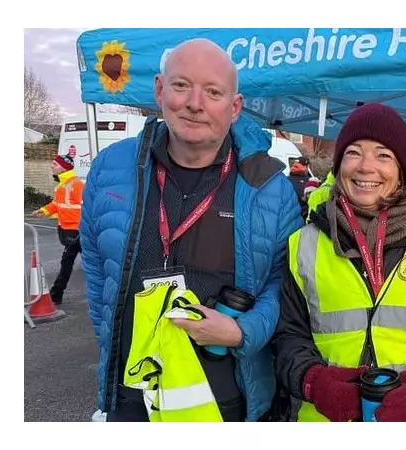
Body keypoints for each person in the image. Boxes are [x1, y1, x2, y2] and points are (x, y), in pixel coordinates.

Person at [79, 38, 303, 422]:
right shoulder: (109, 168)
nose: (195, 104)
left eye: (213, 92)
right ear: (159, 90)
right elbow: (98, 272)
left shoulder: (269, 186)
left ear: (234, 108)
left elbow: (284, 285)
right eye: (181, 85)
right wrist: (113, 341)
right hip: (133, 396)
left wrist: (242, 333)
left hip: (228, 398)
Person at [271, 103, 406, 422]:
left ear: (402, 170)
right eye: (353, 152)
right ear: (339, 164)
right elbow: (287, 336)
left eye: (383, 155)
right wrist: (314, 382)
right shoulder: (303, 243)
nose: (366, 167)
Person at [32, 153, 84, 305]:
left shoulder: (76, 185)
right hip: (67, 230)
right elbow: (56, 204)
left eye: (54, 165)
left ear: (63, 167)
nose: (51, 166)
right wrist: (43, 211)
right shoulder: (61, 186)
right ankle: (57, 295)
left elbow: (87, 206)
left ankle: (56, 295)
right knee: (81, 262)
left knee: (68, 263)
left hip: (77, 232)